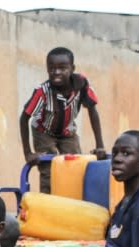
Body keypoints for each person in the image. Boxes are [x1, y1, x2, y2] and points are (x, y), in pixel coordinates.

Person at [20, 46, 106, 194]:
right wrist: (28, 153)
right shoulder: (42, 92)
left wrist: (100, 145)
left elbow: (93, 111)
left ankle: (74, 199)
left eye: (62, 68)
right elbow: (24, 118)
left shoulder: (81, 84)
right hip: (44, 132)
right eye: (51, 68)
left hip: (67, 132)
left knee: (76, 164)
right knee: (49, 165)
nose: (56, 72)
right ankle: (48, 202)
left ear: (72, 68)